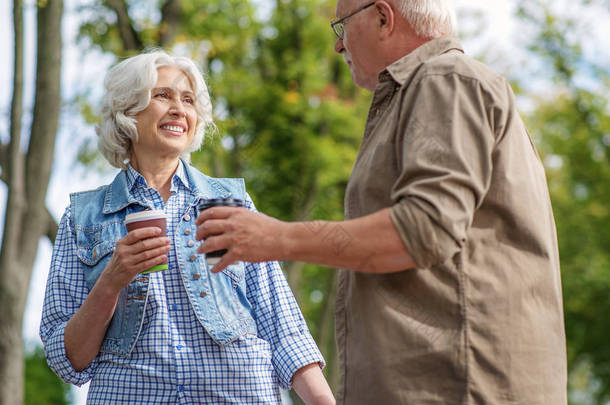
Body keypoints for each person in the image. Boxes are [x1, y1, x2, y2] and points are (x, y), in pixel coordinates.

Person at [194, 0, 568, 404]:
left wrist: (277, 238)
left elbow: (424, 229)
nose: (338, 47)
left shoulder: (445, 78)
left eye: (341, 26)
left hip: (458, 385)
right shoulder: (432, 89)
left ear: (383, 17)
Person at [40, 51, 335, 405]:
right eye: (163, 95)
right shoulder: (82, 218)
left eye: (188, 100)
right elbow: (67, 360)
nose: (180, 109)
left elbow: (282, 325)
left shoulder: (227, 203)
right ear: (127, 111)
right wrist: (111, 281)